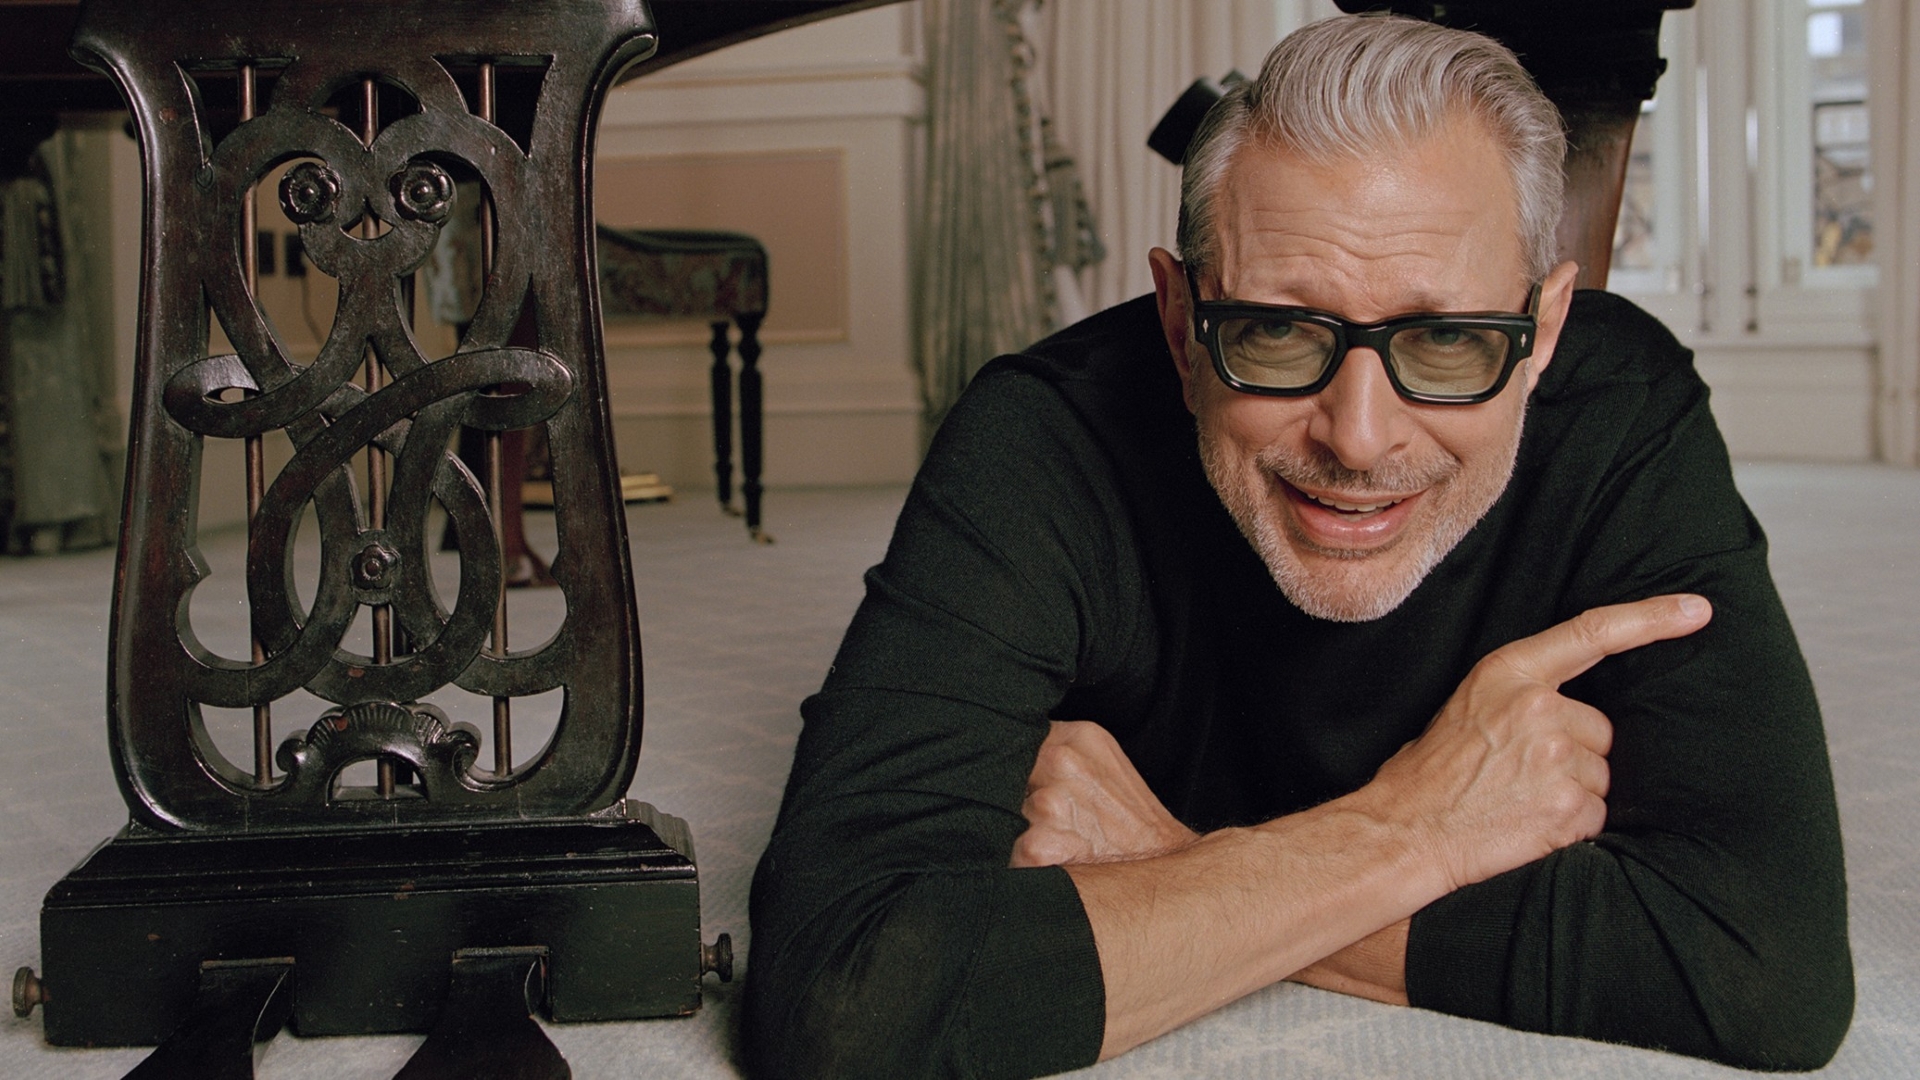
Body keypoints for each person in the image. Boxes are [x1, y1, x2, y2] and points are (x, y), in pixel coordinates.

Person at [746, 15, 1853, 1079]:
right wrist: (1408, 834)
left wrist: (1171, 860)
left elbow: (1764, 969)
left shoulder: (1624, 413)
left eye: (1449, 339)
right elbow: (845, 997)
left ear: (1546, 330)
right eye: (1275, 331)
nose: (1357, 438)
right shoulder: (1041, 439)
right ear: (1181, 324)